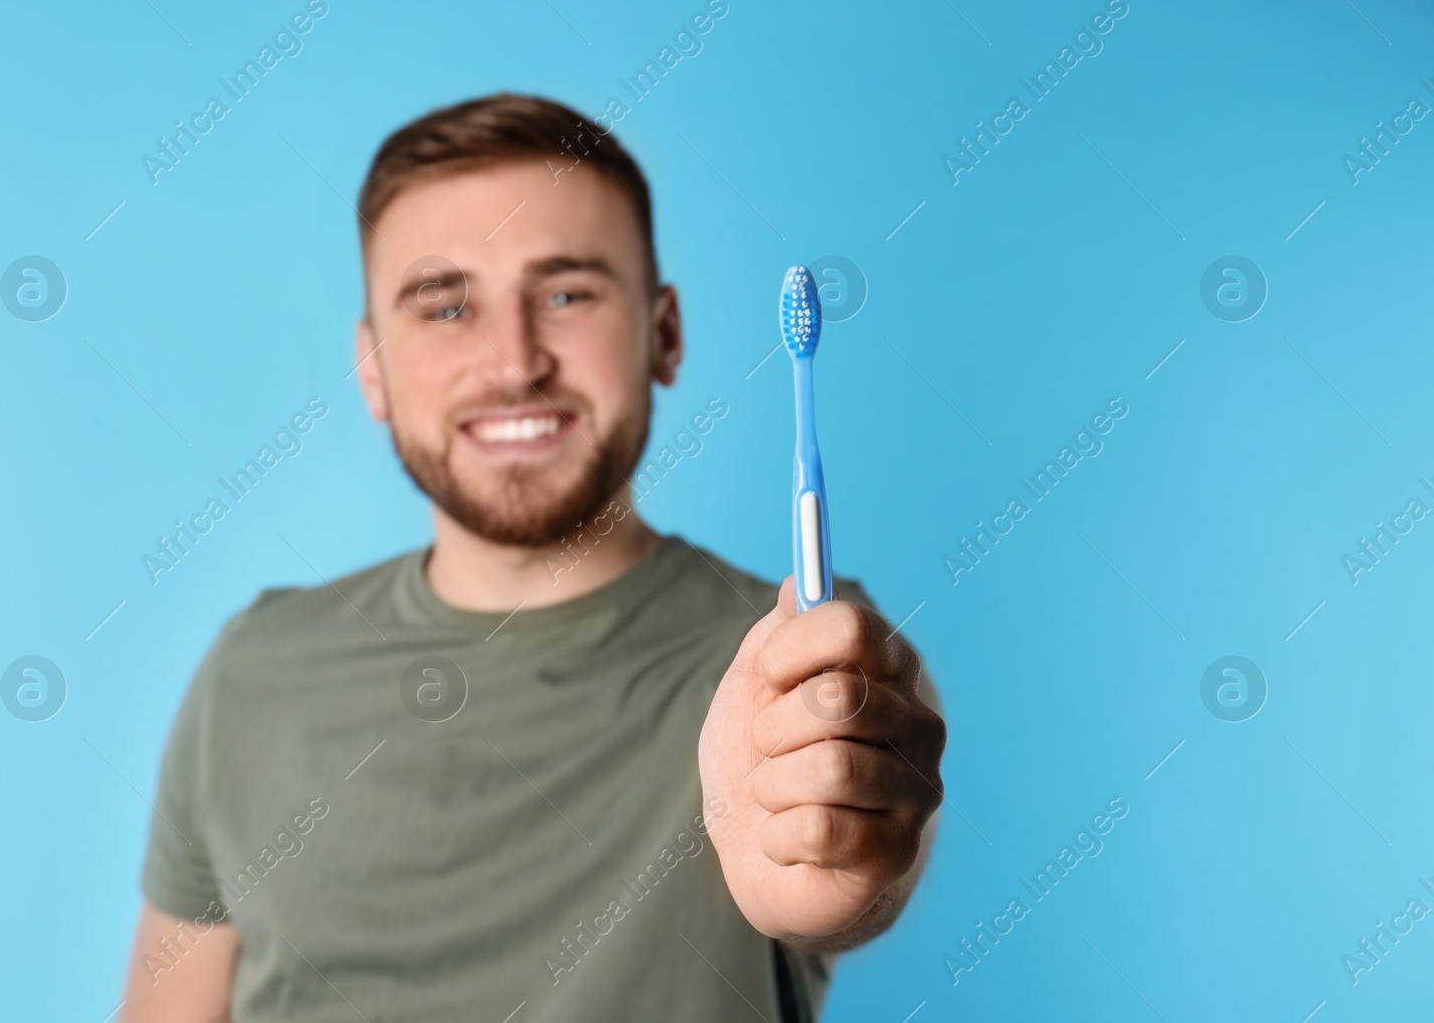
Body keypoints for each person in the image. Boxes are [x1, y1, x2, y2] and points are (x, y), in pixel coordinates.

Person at [119, 92, 945, 1023]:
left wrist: (833, 866)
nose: (514, 362)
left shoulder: (799, 660)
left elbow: (850, 866)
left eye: (565, 294)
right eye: (443, 306)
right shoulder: (250, 671)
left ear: (663, 334)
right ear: (371, 369)